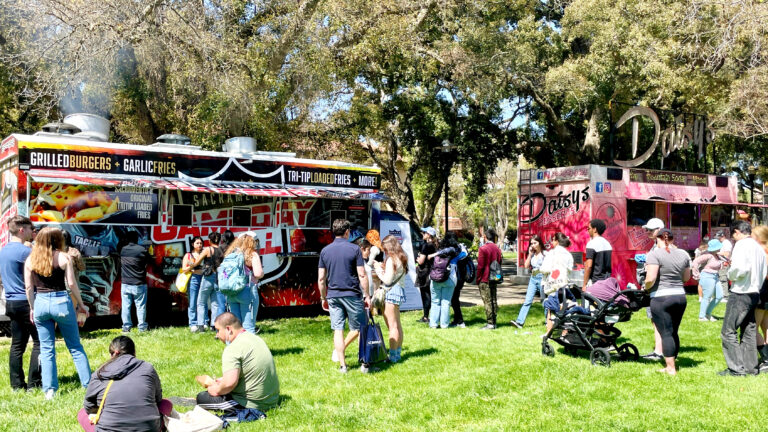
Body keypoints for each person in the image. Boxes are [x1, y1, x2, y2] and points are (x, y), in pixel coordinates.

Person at [24, 227, 91, 399]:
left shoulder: (30, 259)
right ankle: (88, 386)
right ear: (57, 240)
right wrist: (81, 305)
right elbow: (72, 284)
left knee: (46, 349)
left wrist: (32, 308)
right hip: (61, 301)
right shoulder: (64, 257)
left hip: (40, 303)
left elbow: (29, 287)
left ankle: (50, 390)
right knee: (75, 346)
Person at [78, 336, 171, 432]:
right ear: (134, 352)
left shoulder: (100, 372)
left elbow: (89, 406)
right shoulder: (148, 368)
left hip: (108, 429)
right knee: (166, 403)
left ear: (111, 354)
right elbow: (158, 399)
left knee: (82, 413)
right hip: (148, 428)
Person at [196, 313, 280, 415]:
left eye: (218, 330)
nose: (217, 335)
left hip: (254, 405)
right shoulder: (255, 338)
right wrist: (223, 380)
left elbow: (229, 384)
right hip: (272, 399)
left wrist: (215, 389)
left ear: (228, 329)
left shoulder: (232, 349)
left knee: (202, 398)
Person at [317, 219, 370, 373]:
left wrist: (323, 297)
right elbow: (362, 274)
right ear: (347, 232)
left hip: (333, 295)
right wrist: (367, 295)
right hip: (352, 294)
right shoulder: (354, 249)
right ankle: (364, 364)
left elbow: (321, 279)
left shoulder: (325, 251)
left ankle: (343, 366)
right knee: (360, 328)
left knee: (338, 330)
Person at [720, 221, 767, 376]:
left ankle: (735, 369)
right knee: (749, 330)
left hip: (741, 292)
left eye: (733, 236)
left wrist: (729, 274)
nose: (733, 239)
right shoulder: (758, 248)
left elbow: (740, 269)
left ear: (737, 232)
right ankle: (750, 367)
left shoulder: (741, 245)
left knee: (728, 331)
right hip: (755, 292)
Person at [0, 215, 41, 391]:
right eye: (31, 229)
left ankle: (16, 385)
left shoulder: (3, 251)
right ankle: (34, 383)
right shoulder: (27, 252)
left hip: (11, 302)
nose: (33, 232)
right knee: (40, 342)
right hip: (28, 302)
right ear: (21, 230)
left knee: (17, 344)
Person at [644, 228, 691, 376]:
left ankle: (670, 368)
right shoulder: (684, 254)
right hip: (680, 297)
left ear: (657, 239)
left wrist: (645, 288)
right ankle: (673, 361)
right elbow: (686, 278)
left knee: (665, 332)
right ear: (672, 239)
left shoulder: (654, 254)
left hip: (661, 297)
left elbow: (650, 278)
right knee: (673, 331)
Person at [373, 235, 408, 362]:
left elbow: (387, 280)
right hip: (398, 291)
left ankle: (393, 357)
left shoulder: (391, 259)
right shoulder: (401, 257)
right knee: (397, 325)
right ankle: (397, 354)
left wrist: (378, 270)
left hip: (391, 292)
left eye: (385, 249)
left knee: (392, 326)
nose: (384, 251)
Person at [222, 233, 264, 334]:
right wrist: (261, 274)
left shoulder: (231, 253)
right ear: (253, 241)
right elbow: (258, 273)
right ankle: (249, 349)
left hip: (232, 291)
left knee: (235, 326)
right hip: (247, 290)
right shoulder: (252, 254)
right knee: (248, 326)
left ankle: (232, 348)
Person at [639, 217, 666, 361]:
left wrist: (647, 285)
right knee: (656, 320)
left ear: (659, 230)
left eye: (650, 230)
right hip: (659, 288)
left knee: (658, 320)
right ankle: (659, 349)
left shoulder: (660, 247)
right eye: (647, 230)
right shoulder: (657, 246)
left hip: (657, 288)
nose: (648, 232)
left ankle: (659, 352)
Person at [187, 231, 226, 331]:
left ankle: (200, 326)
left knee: (201, 301)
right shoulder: (222, 250)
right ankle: (213, 325)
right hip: (218, 278)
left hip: (208, 277)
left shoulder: (208, 249)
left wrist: (190, 264)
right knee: (215, 302)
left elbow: (197, 263)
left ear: (209, 240)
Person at [540, 233, 574, 332]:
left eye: (553, 240)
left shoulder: (551, 253)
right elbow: (570, 269)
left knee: (550, 308)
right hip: (564, 284)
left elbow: (545, 269)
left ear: (557, 241)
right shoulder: (568, 254)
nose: (551, 242)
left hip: (552, 285)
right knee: (565, 308)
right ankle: (565, 332)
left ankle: (549, 332)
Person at [119, 231, 151, 333]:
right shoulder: (142, 250)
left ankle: (126, 327)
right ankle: (141, 327)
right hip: (139, 283)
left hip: (125, 283)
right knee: (140, 306)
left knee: (126, 306)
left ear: (127, 239)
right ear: (137, 239)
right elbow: (149, 261)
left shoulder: (123, 250)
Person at [512, 234, 546, 328]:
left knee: (544, 301)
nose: (533, 245)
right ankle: (519, 322)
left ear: (540, 243)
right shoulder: (532, 254)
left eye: (535, 243)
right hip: (533, 278)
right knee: (527, 300)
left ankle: (549, 321)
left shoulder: (545, 254)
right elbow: (526, 266)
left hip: (542, 278)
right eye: (531, 243)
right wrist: (530, 254)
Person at [426, 234, 460, 329]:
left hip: (435, 278)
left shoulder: (438, 249)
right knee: (446, 302)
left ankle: (433, 324)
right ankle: (444, 324)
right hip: (449, 279)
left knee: (435, 301)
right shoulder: (454, 250)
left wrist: (434, 254)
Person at [476, 228, 503, 330]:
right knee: (493, 299)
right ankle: (494, 321)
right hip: (495, 277)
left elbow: (480, 266)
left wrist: (478, 279)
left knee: (487, 301)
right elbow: (500, 262)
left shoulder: (483, 249)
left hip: (485, 278)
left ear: (485, 237)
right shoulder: (497, 249)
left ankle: (490, 323)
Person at [692, 239, 724, 322]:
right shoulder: (708, 255)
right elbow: (695, 262)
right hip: (707, 276)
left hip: (715, 276)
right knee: (707, 297)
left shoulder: (717, 255)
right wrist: (696, 274)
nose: (720, 248)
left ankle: (707, 313)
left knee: (720, 296)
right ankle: (702, 317)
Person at [751, 225, 768, 369]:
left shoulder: (762, 253)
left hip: (762, 292)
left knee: (753, 328)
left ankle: (765, 358)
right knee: (766, 326)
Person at [182, 236, 206, 332]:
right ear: (192, 244)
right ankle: (193, 323)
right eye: (197, 243)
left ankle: (203, 322)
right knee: (192, 302)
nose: (199, 245)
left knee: (203, 302)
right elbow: (184, 269)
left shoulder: (205, 254)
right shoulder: (188, 255)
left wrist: (194, 268)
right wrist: (191, 267)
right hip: (193, 280)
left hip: (204, 279)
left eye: (201, 243)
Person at [416, 227, 438, 323]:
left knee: (425, 294)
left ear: (428, 234)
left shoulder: (426, 246)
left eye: (424, 232)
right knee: (431, 294)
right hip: (432, 271)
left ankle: (425, 316)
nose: (422, 233)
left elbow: (421, 261)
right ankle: (432, 315)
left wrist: (417, 259)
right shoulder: (435, 245)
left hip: (424, 272)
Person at [583, 218, 613, 288]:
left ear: (595, 229)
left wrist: (584, 284)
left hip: (595, 282)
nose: (588, 230)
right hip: (607, 280)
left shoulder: (591, 244)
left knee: (592, 299)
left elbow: (588, 266)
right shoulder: (607, 243)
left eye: (588, 228)